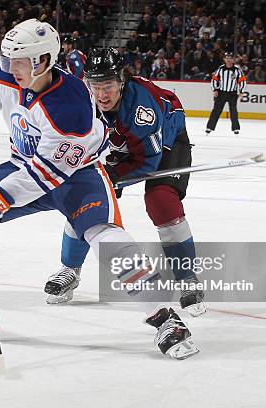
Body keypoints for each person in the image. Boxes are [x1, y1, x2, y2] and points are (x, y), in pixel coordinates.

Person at [0, 19, 198, 359]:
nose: (9, 69)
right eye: (8, 60)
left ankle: (165, 318)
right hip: (24, 165)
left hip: (77, 177)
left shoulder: (70, 104)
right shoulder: (10, 73)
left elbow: (47, 174)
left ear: (42, 61)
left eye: (18, 62)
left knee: (105, 238)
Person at [44, 47, 206, 319]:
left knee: (161, 201)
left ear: (121, 80)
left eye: (108, 85)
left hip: (164, 143)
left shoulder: (142, 109)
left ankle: (187, 277)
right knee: (85, 198)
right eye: (95, 85)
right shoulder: (85, 100)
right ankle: (70, 269)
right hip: (126, 143)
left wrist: (113, 177)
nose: (102, 94)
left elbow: (148, 161)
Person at [205, 52, 247, 135]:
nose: (228, 60)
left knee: (233, 111)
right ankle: (210, 127)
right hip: (221, 93)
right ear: (224, 59)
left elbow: (242, 81)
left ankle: (235, 128)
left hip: (232, 93)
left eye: (230, 58)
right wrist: (215, 90)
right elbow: (214, 79)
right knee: (216, 110)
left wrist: (241, 91)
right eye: (227, 58)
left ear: (233, 60)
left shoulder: (237, 70)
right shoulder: (220, 69)